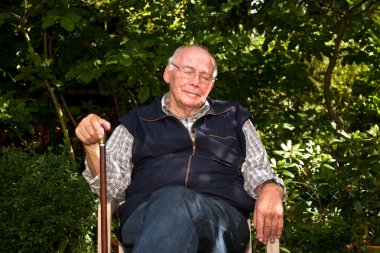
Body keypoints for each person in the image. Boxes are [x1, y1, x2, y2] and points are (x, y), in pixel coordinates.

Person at [75, 45, 285, 253]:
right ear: (168, 73)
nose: (195, 82)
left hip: (221, 221)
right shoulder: (136, 122)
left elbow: (259, 170)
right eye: (188, 72)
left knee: (177, 200)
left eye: (205, 76)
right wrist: (92, 147)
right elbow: (110, 188)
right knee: (173, 201)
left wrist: (271, 188)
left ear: (211, 85)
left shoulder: (234, 117)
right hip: (145, 216)